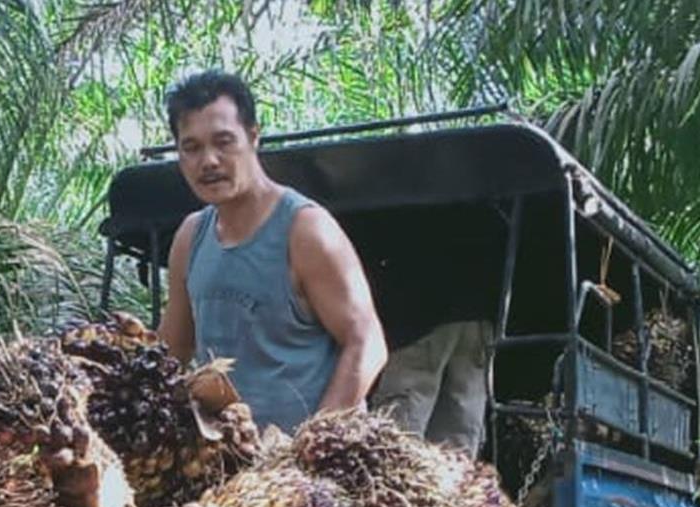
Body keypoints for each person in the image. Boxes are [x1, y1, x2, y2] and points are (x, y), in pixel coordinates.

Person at [157, 70, 387, 434]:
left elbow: (368, 343)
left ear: (253, 136)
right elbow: (170, 353)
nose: (209, 161)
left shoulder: (306, 230)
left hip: (313, 473)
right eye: (192, 147)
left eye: (223, 141)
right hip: (230, 466)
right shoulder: (191, 238)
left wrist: (309, 445)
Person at [367, 213, 505, 455]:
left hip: (422, 308)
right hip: (478, 310)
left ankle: (400, 487)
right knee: (460, 423)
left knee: (400, 429)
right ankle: (456, 490)